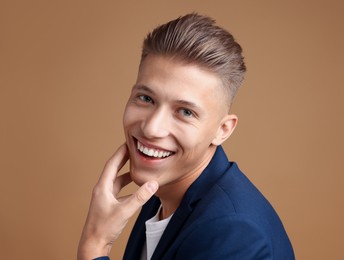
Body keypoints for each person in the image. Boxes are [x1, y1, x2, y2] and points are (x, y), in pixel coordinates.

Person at [78, 13, 295, 260]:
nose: (152, 128)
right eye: (146, 98)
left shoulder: (232, 231)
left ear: (222, 130)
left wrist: (95, 244)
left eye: (185, 112)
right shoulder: (161, 193)